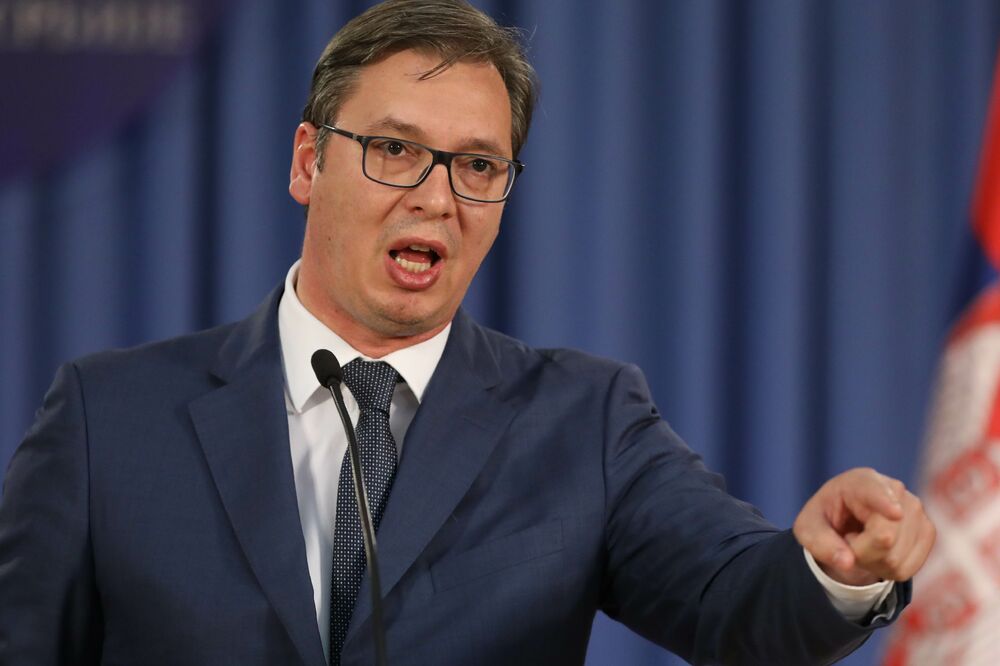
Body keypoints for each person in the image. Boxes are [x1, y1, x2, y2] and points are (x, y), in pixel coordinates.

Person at [0, 1, 935, 664]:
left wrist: (831, 570)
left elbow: (737, 601)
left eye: (478, 166)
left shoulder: (585, 422)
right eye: (395, 149)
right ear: (308, 162)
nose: (437, 197)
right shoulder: (106, 418)